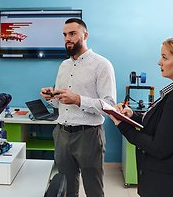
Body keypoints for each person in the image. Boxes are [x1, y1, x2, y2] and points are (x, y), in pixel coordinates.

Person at [109, 35, 173, 197]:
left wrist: (123, 126)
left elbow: (159, 148)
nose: (159, 62)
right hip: (168, 180)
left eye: (164, 57)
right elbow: (160, 123)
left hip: (172, 186)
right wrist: (132, 115)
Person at [40, 18, 116, 197]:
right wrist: (50, 97)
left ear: (85, 35)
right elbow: (60, 103)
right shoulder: (63, 66)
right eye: (65, 35)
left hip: (88, 136)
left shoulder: (102, 64)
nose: (68, 38)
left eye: (72, 34)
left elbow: (110, 105)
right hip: (62, 134)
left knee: (93, 190)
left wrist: (78, 100)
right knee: (65, 188)